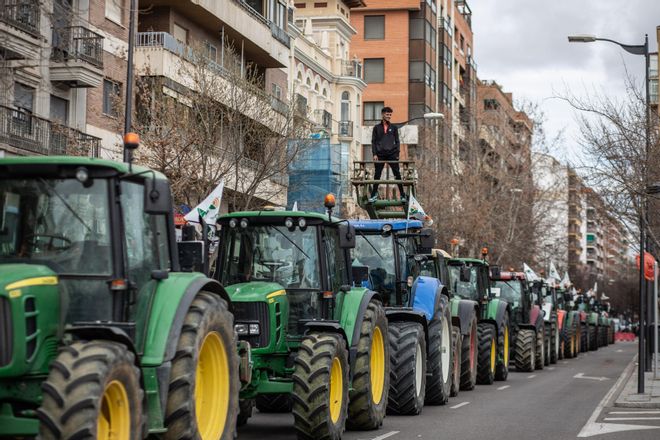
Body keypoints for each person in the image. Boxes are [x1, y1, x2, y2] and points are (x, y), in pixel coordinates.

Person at [369, 106, 406, 203]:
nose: (389, 116)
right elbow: (373, 141)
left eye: (390, 115)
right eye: (387, 114)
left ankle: (402, 195)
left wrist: (397, 153)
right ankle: (373, 195)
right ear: (382, 114)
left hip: (392, 154)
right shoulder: (376, 128)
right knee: (377, 174)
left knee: (397, 174)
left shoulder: (394, 128)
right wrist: (374, 154)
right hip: (380, 154)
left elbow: (397, 141)